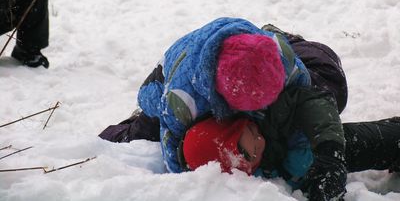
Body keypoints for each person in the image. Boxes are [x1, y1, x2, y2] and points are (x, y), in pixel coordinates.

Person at [99, 17, 348, 200]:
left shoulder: (280, 57)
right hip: (177, 75)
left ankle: (286, 44)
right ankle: (110, 137)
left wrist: (316, 147)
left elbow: (310, 99)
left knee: (332, 88)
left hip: (275, 50)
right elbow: (172, 144)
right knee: (147, 126)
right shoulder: (181, 101)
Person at [181, 115, 400, 199]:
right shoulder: (244, 187)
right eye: (253, 153)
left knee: (389, 139)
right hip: (317, 167)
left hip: (326, 145)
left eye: (253, 132)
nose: (260, 141)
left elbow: (313, 105)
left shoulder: (272, 118)